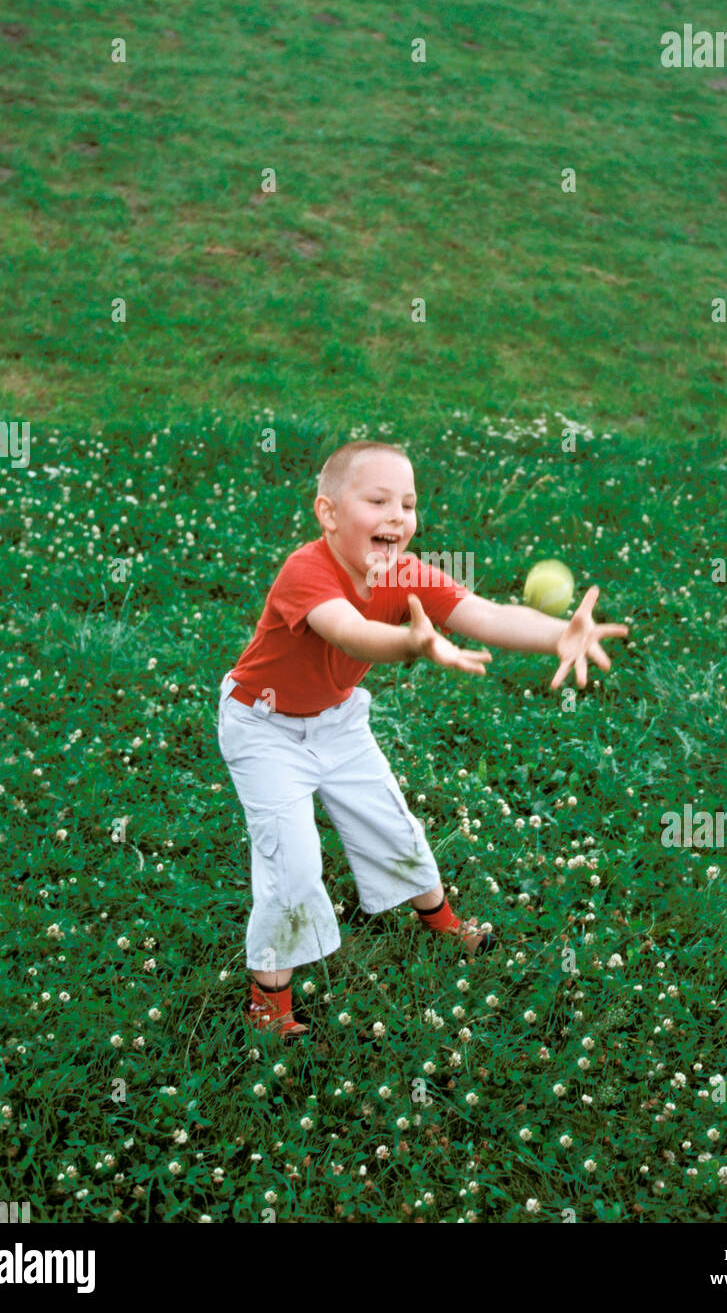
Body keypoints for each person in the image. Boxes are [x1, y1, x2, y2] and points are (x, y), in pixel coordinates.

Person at [217, 440, 628, 1042]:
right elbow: (350, 633)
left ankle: (440, 920)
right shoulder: (306, 571)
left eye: (408, 504)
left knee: (393, 823)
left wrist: (556, 635)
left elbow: (485, 614)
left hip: (336, 721)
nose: (397, 516)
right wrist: (413, 643)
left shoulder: (405, 575)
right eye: (378, 500)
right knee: (292, 863)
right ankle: (267, 1000)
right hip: (265, 729)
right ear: (328, 514)